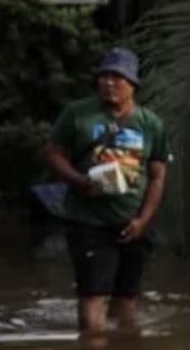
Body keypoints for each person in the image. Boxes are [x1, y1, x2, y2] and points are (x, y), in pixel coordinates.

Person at [44, 48, 172, 335]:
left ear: (133, 84)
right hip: (89, 222)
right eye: (104, 76)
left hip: (133, 224)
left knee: (127, 299)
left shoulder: (151, 124)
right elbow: (53, 153)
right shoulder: (78, 114)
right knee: (92, 295)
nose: (109, 83)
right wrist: (80, 181)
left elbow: (157, 177)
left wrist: (143, 221)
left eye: (117, 77)